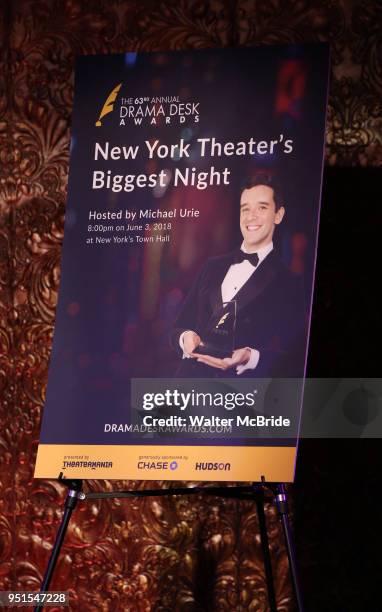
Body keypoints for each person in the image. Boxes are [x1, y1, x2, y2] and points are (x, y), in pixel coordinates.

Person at [170, 173, 306, 378]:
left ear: (278, 214)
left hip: (238, 400)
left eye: (262, 207)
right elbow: (178, 327)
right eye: (245, 209)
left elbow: (292, 355)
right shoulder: (211, 267)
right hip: (184, 390)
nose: (251, 216)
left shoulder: (289, 282)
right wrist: (185, 337)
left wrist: (250, 357)